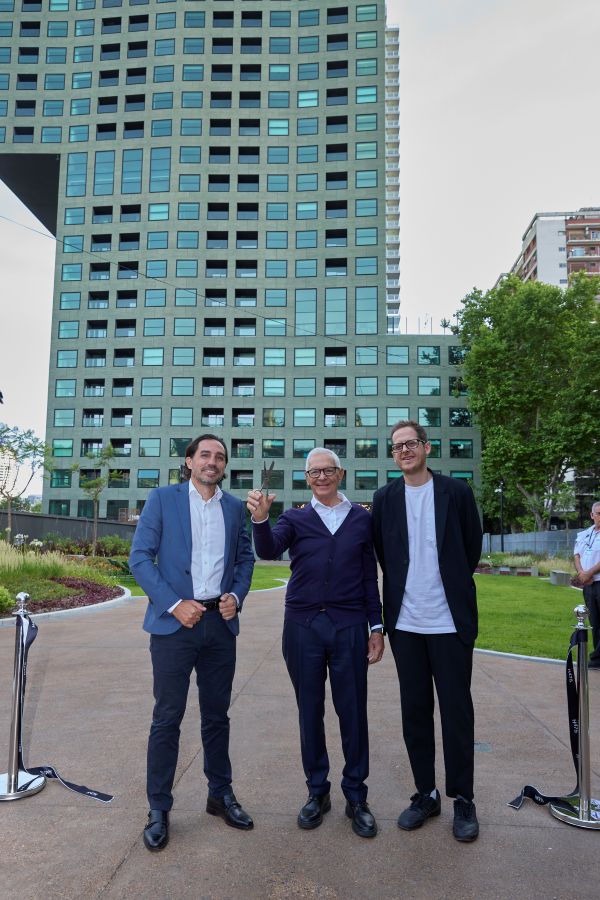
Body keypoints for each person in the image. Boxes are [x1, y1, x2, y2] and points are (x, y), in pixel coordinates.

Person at [246, 448, 384, 838]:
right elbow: (268, 549)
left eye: (327, 470)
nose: (321, 477)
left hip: (349, 626)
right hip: (303, 627)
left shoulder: (361, 519)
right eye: (313, 472)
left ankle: (356, 795)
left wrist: (376, 627)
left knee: (353, 712)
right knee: (310, 711)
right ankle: (317, 791)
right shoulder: (295, 518)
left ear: (340, 474)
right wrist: (261, 519)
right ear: (306, 478)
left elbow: (368, 576)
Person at [129, 434, 255, 852]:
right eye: (205, 455)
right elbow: (140, 557)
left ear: (224, 466)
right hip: (174, 625)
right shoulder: (162, 499)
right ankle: (158, 808)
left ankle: (220, 795)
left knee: (217, 716)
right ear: (189, 461)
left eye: (219, 457)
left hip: (219, 625)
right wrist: (173, 604)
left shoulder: (234, 508)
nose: (212, 462)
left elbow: (245, 559)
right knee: (167, 718)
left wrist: (236, 596)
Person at [372, 421, 482, 842]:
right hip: (406, 624)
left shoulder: (456, 492)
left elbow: (470, 547)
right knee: (415, 712)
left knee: (457, 712)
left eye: (411, 443)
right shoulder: (385, 498)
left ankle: (463, 799)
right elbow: (384, 554)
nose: (404, 450)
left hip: (449, 622)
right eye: (397, 446)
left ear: (426, 447)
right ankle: (426, 794)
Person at [573, 501, 600, 669]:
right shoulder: (584, 534)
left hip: (598, 580)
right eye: (599, 514)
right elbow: (577, 555)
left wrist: (589, 573)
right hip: (588, 585)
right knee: (595, 622)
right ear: (592, 515)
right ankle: (598, 659)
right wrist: (582, 573)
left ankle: (596, 658)